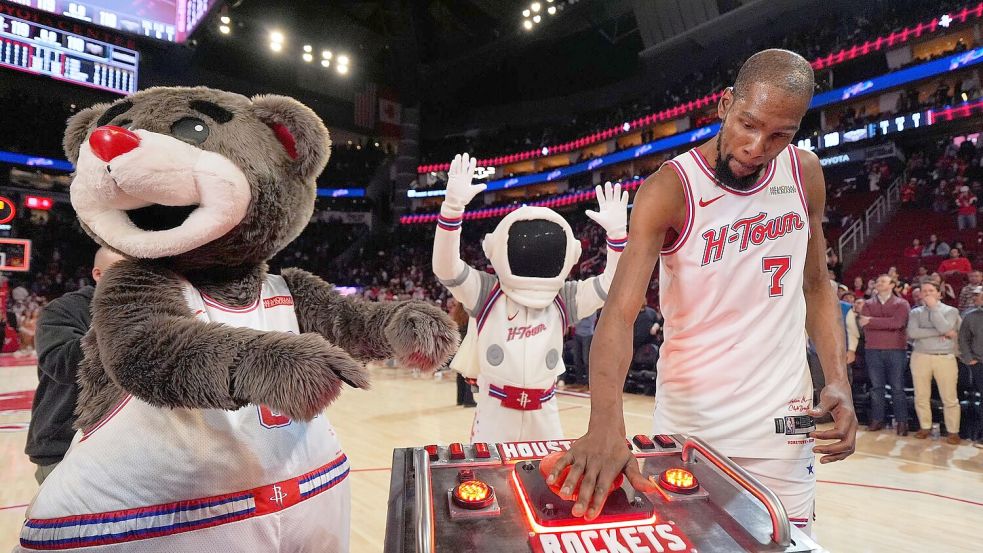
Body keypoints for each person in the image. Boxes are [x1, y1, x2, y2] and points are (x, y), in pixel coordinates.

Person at [547, 50, 857, 534]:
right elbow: (621, 315)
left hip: (786, 426)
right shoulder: (670, 188)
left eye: (780, 134)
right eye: (748, 124)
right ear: (725, 104)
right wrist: (605, 419)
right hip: (693, 425)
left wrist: (836, 378)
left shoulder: (804, 174)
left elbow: (817, 284)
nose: (757, 146)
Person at [432, 154, 627, 442]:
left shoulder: (563, 297)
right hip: (496, 410)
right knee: (489, 484)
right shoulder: (487, 292)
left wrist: (618, 237)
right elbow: (446, 268)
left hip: (544, 411)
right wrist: (451, 209)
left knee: (546, 484)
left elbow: (614, 284)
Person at [25, 247, 125, 484]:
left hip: (124, 447)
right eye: (120, 272)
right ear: (98, 274)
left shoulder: (152, 311)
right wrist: (120, 320)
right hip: (65, 445)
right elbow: (63, 365)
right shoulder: (63, 309)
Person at [906, 281, 961, 445]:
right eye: (924, 291)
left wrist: (934, 309)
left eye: (931, 291)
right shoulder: (915, 312)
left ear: (939, 294)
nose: (927, 293)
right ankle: (925, 426)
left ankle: (953, 431)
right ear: (920, 294)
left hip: (944, 357)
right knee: (921, 396)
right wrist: (939, 332)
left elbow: (947, 328)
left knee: (949, 397)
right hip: (920, 356)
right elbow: (913, 332)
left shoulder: (951, 311)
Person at [860, 275, 911, 435]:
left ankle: (902, 422)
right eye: (877, 281)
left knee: (897, 387)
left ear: (892, 285)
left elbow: (898, 323)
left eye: (883, 281)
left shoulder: (902, 303)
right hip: (873, 349)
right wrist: (885, 322)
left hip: (896, 349)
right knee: (877, 388)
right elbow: (863, 323)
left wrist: (872, 321)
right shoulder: (867, 303)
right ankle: (877, 419)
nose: (879, 283)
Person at [958, 286, 983, 447]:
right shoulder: (970, 317)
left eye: (978, 295)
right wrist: (969, 358)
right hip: (979, 363)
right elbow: (963, 339)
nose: (976, 298)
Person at [448, 298, 477, 407]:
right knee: (468, 373)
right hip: (466, 345)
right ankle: (468, 400)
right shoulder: (470, 314)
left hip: (457, 345)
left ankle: (460, 399)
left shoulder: (457, 314)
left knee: (460, 375)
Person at [571, 309, 598, 387]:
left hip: (587, 335)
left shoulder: (592, 308)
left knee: (586, 360)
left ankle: (590, 382)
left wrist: (578, 319)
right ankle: (579, 380)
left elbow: (589, 322)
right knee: (576, 359)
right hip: (577, 334)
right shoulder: (580, 307)